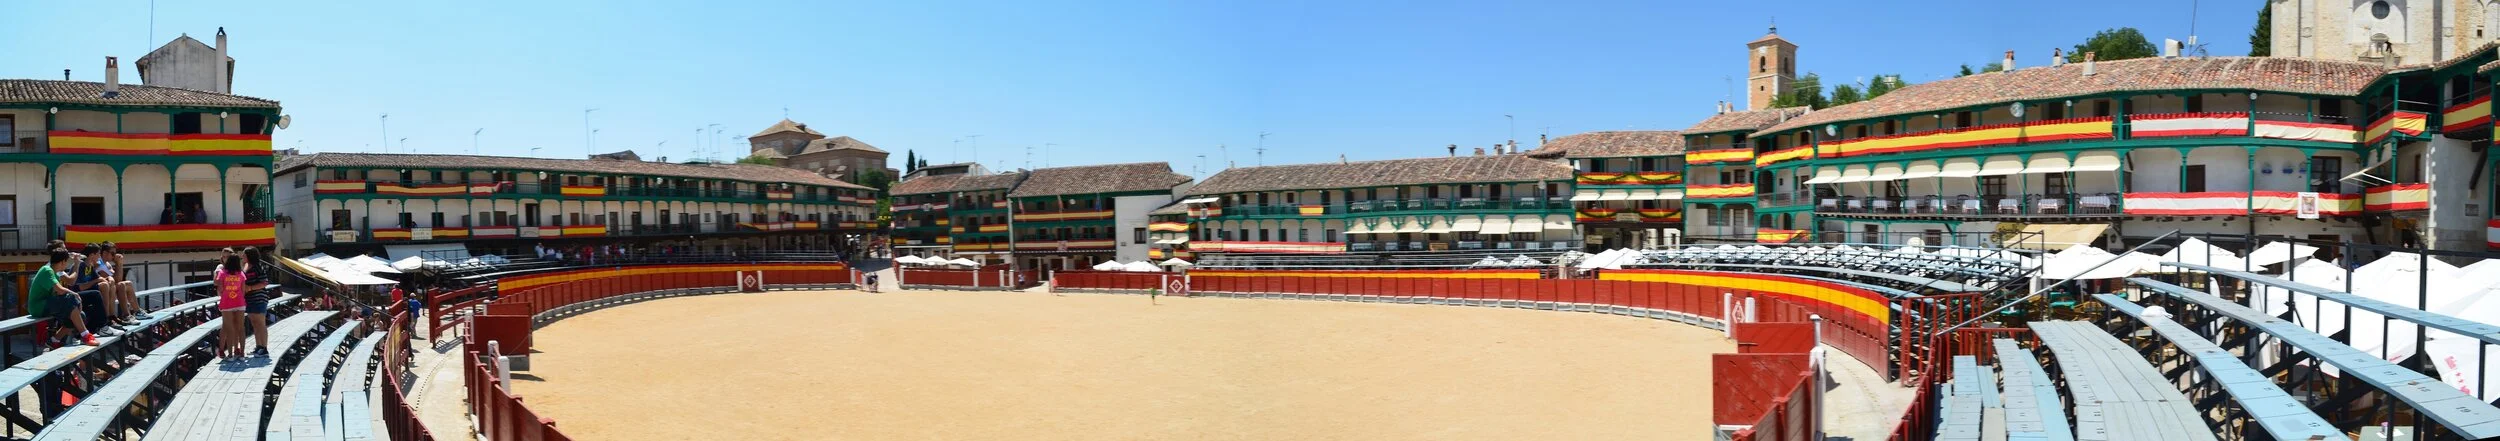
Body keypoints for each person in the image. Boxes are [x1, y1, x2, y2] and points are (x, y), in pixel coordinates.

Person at [31, 250, 96, 347]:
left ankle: (54, 340)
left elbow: (68, 283)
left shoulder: (54, 271)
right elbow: (60, 290)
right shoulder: (47, 270)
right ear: (62, 262)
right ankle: (85, 335)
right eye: (66, 262)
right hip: (38, 307)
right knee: (71, 297)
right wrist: (75, 294)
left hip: (48, 305)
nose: (66, 265)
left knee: (80, 315)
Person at [68, 245, 118, 337]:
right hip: (76, 295)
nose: (99, 257)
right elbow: (80, 287)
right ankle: (105, 323)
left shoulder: (90, 266)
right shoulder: (81, 265)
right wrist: (98, 280)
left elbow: (99, 278)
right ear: (91, 255)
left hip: (86, 294)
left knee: (107, 284)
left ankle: (108, 320)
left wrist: (108, 278)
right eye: (98, 254)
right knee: (102, 287)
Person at [214, 249, 248, 359]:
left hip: (227, 303)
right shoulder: (241, 274)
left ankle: (230, 354)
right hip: (240, 302)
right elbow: (243, 290)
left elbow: (220, 289)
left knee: (229, 328)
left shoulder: (222, 273)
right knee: (241, 328)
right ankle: (242, 353)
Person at [241, 247, 275, 357]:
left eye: (244, 255)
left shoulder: (258, 267)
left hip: (259, 298)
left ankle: (264, 348)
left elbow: (264, 282)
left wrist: (250, 288)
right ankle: (258, 346)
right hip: (249, 299)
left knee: (261, 323)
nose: (242, 257)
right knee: (254, 324)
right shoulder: (245, 267)